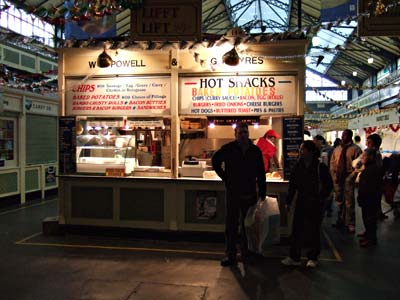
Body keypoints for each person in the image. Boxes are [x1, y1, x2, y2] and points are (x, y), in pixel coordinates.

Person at [212, 122, 266, 267]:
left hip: (250, 193)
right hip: (233, 193)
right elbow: (215, 161)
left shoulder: (255, 151)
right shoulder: (228, 149)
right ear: (235, 134)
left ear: (248, 134)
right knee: (231, 225)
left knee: (247, 226)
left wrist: (262, 191)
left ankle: (246, 254)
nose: (243, 135)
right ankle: (231, 255)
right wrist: (225, 177)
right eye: (240, 132)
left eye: (245, 132)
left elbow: (261, 172)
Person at [282, 140, 333, 268]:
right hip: (301, 200)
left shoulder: (320, 167)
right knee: (297, 229)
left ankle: (313, 257)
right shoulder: (298, 166)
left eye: (302, 149)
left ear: (310, 152)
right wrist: (288, 201)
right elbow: (292, 185)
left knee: (314, 230)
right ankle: (295, 257)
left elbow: (328, 185)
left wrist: (322, 198)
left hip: (316, 202)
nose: (300, 151)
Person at [330, 129, 362, 233]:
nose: (343, 137)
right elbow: (332, 163)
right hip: (338, 177)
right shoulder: (337, 149)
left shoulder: (356, 149)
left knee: (349, 202)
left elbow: (359, 165)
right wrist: (333, 176)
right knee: (339, 201)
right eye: (343, 135)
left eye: (346, 135)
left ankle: (350, 223)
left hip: (349, 176)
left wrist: (352, 176)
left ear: (350, 136)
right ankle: (340, 220)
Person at [357, 148, 384, 247]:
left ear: (371, 157)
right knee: (366, 217)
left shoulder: (374, 169)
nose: (362, 158)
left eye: (364, 156)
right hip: (366, 198)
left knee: (370, 219)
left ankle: (371, 239)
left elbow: (371, 187)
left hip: (370, 199)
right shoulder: (368, 167)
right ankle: (368, 234)